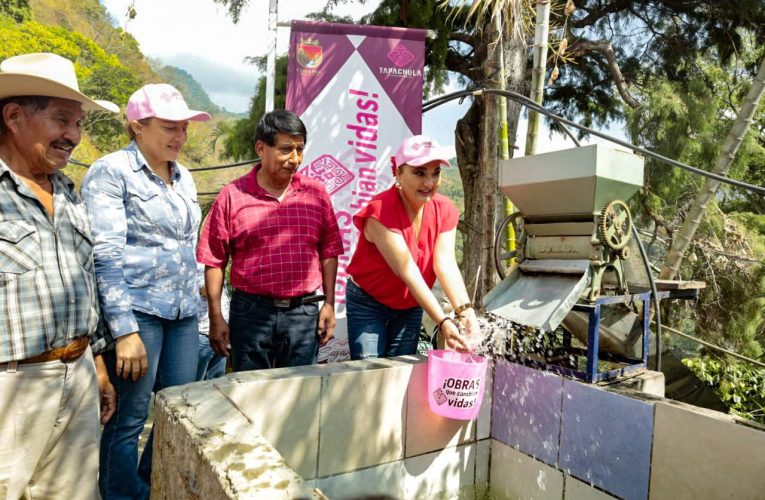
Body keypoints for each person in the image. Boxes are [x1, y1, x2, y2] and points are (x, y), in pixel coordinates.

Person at [81, 83, 209, 500]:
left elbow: (186, 246)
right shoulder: (111, 171)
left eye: (184, 129)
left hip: (184, 314)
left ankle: (152, 484)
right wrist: (124, 331)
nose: (180, 137)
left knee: (178, 410)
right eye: (170, 127)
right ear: (137, 127)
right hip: (139, 314)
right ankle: (122, 493)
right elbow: (105, 255)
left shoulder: (184, 176)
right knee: (130, 416)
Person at [0, 52, 117, 499]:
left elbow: (84, 286)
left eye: (78, 123)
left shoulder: (68, 193)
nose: (74, 136)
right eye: (62, 120)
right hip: (12, 385)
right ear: (13, 116)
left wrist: (98, 365)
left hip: (79, 373)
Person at [197, 109, 344, 372]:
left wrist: (329, 304)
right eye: (286, 149)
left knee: (299, 393)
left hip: (303, 313)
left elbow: (329, 251)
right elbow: (214, 259)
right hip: (251, 313)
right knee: (249, 392)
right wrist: (216, 315)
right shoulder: (232, 196)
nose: (295, 158)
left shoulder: (316, 194)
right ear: (261, 148)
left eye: (300, 149)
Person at [345, 134, 480, 359]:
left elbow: (445, 264)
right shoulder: (380, 210)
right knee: (369, 376)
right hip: (369, 303)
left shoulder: (444, 209)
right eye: (419, 173)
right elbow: (407, 270)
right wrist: (444, 321)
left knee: (401, 376)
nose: (429, 183)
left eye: (435, 173)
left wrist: (467, 314)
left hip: (410, 305)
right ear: (398, 172)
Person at [196, 262, 229, 380]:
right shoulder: (193, 263)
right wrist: (215, 280)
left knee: (217, 381)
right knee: (196, 383)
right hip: (203, 332)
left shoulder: (217, 263)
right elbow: (203, 289)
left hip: (222, 333)